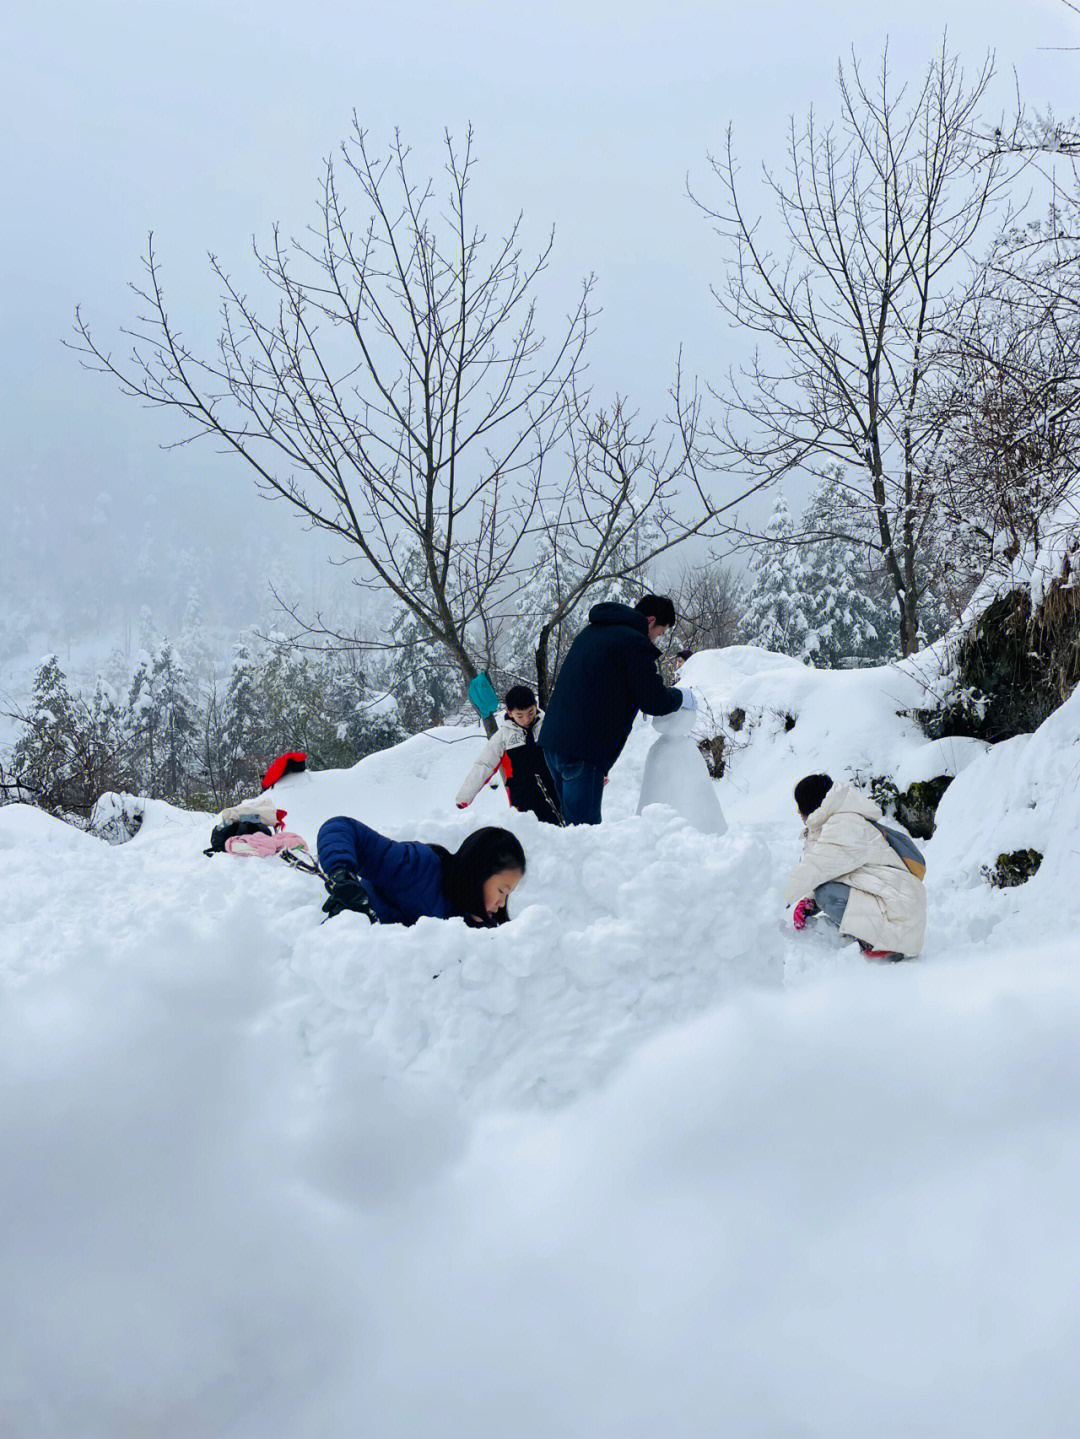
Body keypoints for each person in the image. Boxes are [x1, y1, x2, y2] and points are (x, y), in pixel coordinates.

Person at [539, 595, 694, 825]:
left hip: (553, 744)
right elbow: (654, 700)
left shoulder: (592, 632)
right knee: (584, 837)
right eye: (659, 633)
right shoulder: (634, 643)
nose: (656, 640)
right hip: (582, 752)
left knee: (570, 834)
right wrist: (683, 696)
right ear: (650, 621)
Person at [783, 773, 926, 960]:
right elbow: (833, 871)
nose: (798, 812)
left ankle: (885, 944)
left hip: (898, 913)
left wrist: (773, 901)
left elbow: (815, 868)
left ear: (809, 804)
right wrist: (810, 902)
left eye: (799, 805)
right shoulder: (838, 822)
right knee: (823, 892)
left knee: (826, 894)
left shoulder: (845, 825)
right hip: (895, 905)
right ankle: (874, 936)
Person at [316, 818, 525, 927]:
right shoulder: (417, 867)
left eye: (508, 895)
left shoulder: (473, 929)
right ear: (479, 872)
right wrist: (341, 875)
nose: (501, 905)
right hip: (336, 971)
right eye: (501, 890)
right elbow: (341, 827)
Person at [456, 684, 560, 825]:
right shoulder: (503, 737)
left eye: (530, 712)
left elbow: (572, 749)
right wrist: (464, 796)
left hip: (556, 794)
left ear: (536, 705)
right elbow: (484, 764)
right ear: (509, 713)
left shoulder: (550, 726)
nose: (526, 719)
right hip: (522, 801)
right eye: (520, 715)